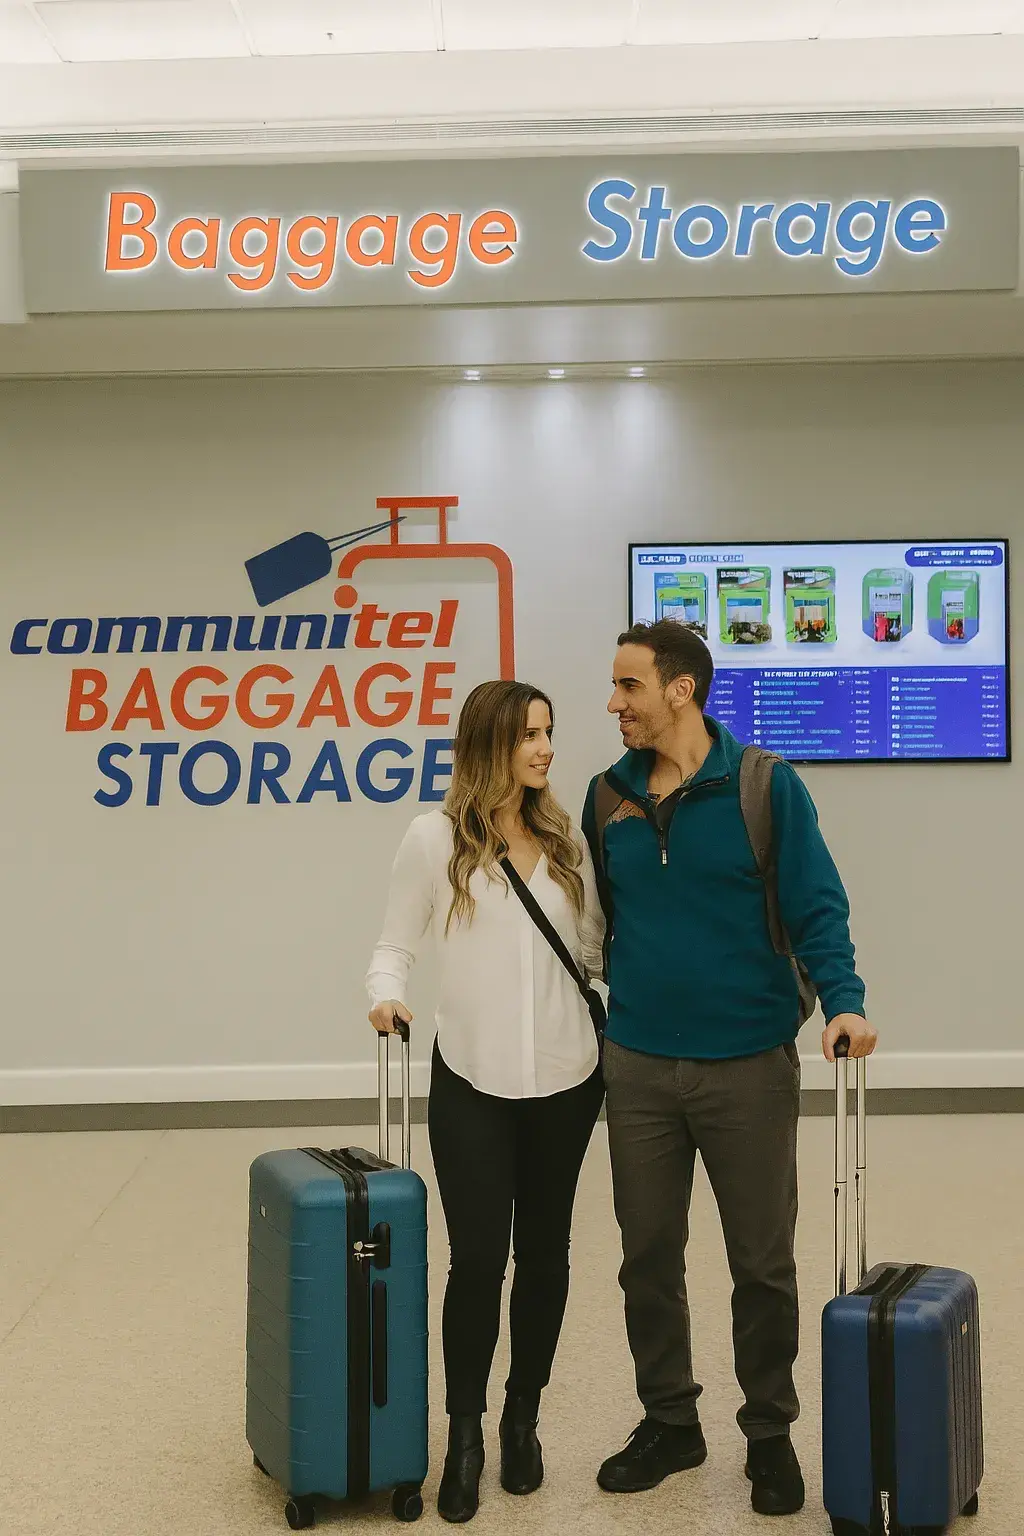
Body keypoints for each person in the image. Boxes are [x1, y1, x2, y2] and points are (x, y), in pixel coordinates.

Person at [582, 620, 877, 1519]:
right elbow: (595, 923)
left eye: (629, 685)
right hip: (636, 1066)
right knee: (646, 1258)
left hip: (747, 1063)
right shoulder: (606, 796)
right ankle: (670, 1422)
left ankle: (769, 1434)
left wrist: (845, 1001)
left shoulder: (764, 786)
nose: (614, 703)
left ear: (681, 690)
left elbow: (817, 902)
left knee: (761, 1262)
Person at [367, 679, 605, 1524]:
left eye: (548, 733)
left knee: (546, 1258)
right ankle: (462, 1434)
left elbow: (590, 955)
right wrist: (385, 995)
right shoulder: (433, 839)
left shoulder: (565, 837)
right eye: (527, 737)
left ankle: (521, 1418)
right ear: (486, 747)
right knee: (476, 1263)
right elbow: (394, 944)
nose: (544, 749)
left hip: (568, 1083)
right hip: (470, 1080)